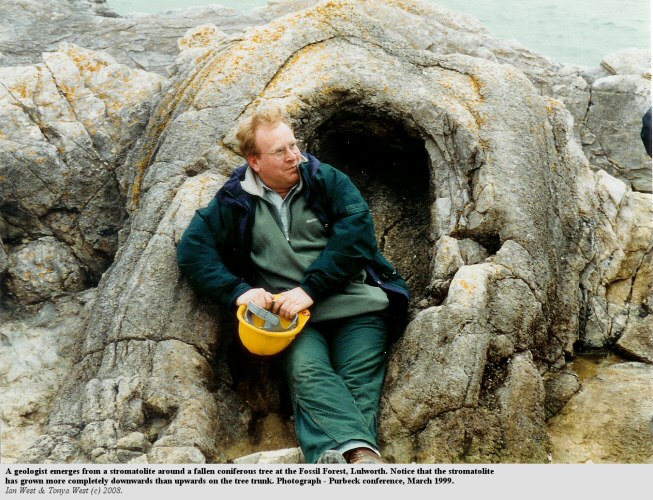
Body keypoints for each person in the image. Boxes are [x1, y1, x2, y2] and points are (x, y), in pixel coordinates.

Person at [177, 104, 409, 464]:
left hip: (357, 305)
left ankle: (344, 458)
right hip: (289, 319)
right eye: (280, 151)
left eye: (293, 145)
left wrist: (310, 290)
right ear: (255, 162)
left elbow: (357, 238)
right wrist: (238, 290)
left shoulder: (326, 180)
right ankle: (361, 458)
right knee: (306, 372)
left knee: (358, 380)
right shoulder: (236, 199)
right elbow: (193, 250)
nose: (294, 156)